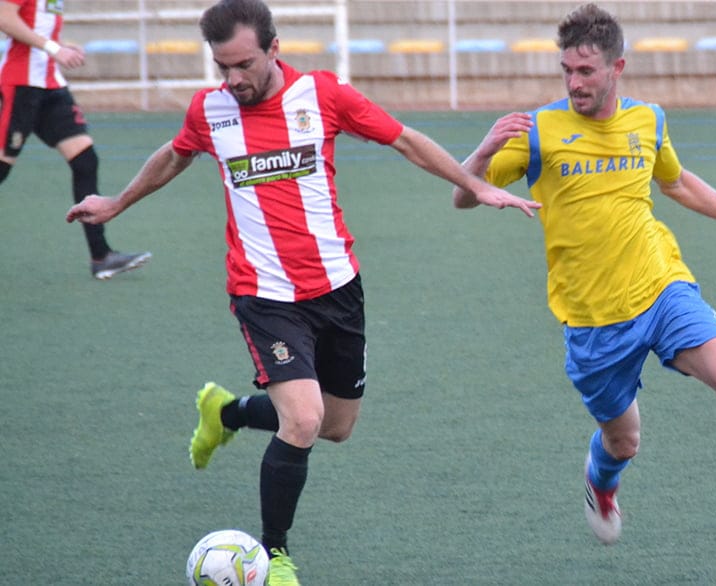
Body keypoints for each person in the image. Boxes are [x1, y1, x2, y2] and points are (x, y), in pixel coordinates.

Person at [65, 0, 539, 584]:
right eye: (222, 66)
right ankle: (274, 555)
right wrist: (116, 203)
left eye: (244, 64)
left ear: (274, 49)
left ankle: (226, 412)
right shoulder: (209, 110)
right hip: (263, 294)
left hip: (337, 287)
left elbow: (406, 140)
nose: (233, 78)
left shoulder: (323, 95)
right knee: (304, 420)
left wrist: (473, 184)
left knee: (335, 425)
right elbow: (174, 155)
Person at [453, 3, 716, 561]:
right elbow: (463, 195)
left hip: (662, 286)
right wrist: (483, 151)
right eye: (567, 70)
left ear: (617, 68)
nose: (574, 82)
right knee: (623, 441)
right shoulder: (537, 130)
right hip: (592, 318)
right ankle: (601, 480)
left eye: (586, 70)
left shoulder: (648, 120)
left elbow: (677, 182)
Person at [0, 0, 150, 279]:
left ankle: (101, 256)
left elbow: (37, 24)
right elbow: (4, 18)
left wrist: (61, 45)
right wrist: (54, 48)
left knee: (85, 161)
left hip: (50, 84)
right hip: (21, 84)